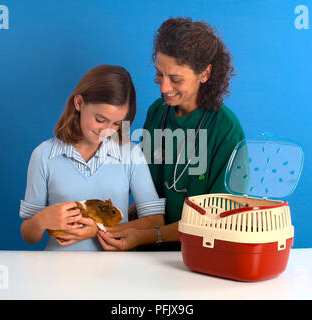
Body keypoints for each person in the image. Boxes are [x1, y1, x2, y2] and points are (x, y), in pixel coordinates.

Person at [97, 17, 245, 251]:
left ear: (204, 74)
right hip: (147, 250)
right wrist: (117, 221)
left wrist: (144, 236)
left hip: (198, 254)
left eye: (176, 79)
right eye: (159, 74)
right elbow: (150, 190)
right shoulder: (158, 112)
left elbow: (218, 219)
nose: (164, 88)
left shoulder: (226, 130)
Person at [19, 65, 165, 251]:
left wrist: (99, 230)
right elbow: (28, 235)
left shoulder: (131, 155)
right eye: (100, 119)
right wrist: (40, 220)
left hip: (117, 274)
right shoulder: (43, 155)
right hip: (57, 273)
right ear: (79, 103)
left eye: (117, 123)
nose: (107, 130)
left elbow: (154, 222)